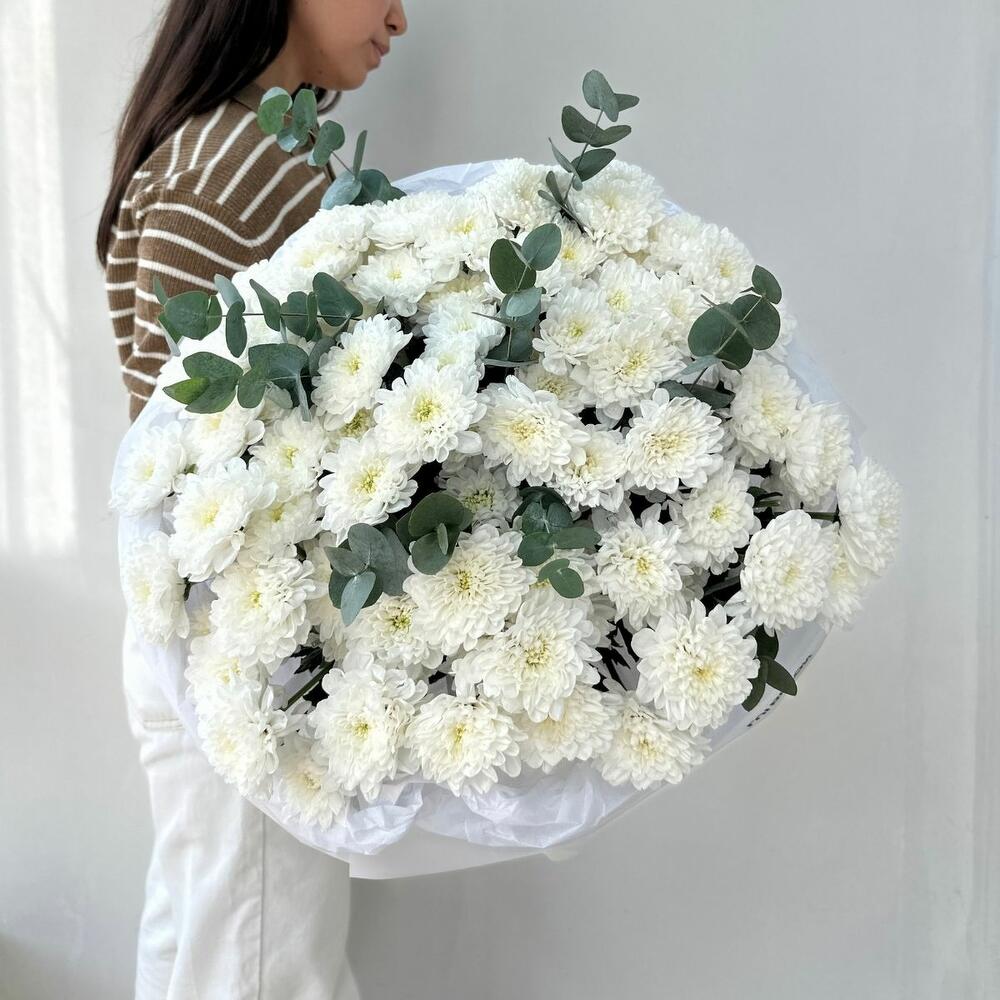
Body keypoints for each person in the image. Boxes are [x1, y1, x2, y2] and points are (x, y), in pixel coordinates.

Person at [96, 2, 408, 997]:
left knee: (211, 943)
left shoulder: (237, 148)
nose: (400, 17)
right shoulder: (232, 164)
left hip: (212, 630)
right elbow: (194, 451)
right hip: (239, 637)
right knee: (261, 963)